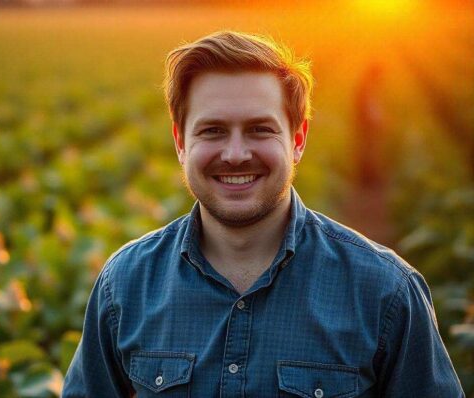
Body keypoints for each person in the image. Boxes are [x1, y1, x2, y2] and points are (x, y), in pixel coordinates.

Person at [62, 31, 464, 397]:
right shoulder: (125, 284)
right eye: (213, 131)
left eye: (259, 129)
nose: (236, 154)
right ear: (180, 141)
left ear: (298, 139)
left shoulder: (385, 291)